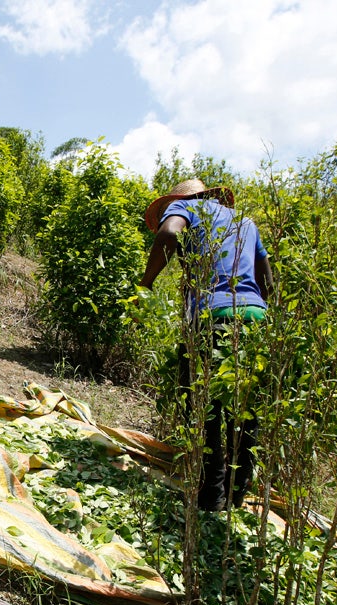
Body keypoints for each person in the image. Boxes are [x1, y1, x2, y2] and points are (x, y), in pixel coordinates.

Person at [137, 179, 273, 511]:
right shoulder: (245, 222)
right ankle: (236, 498)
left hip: (213, 315)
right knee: (245, 410)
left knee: (202, 406)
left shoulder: (185, 207)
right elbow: (267, 280)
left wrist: (147, 284)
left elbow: (169, 234)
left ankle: (211, 501)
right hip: (256, 317)